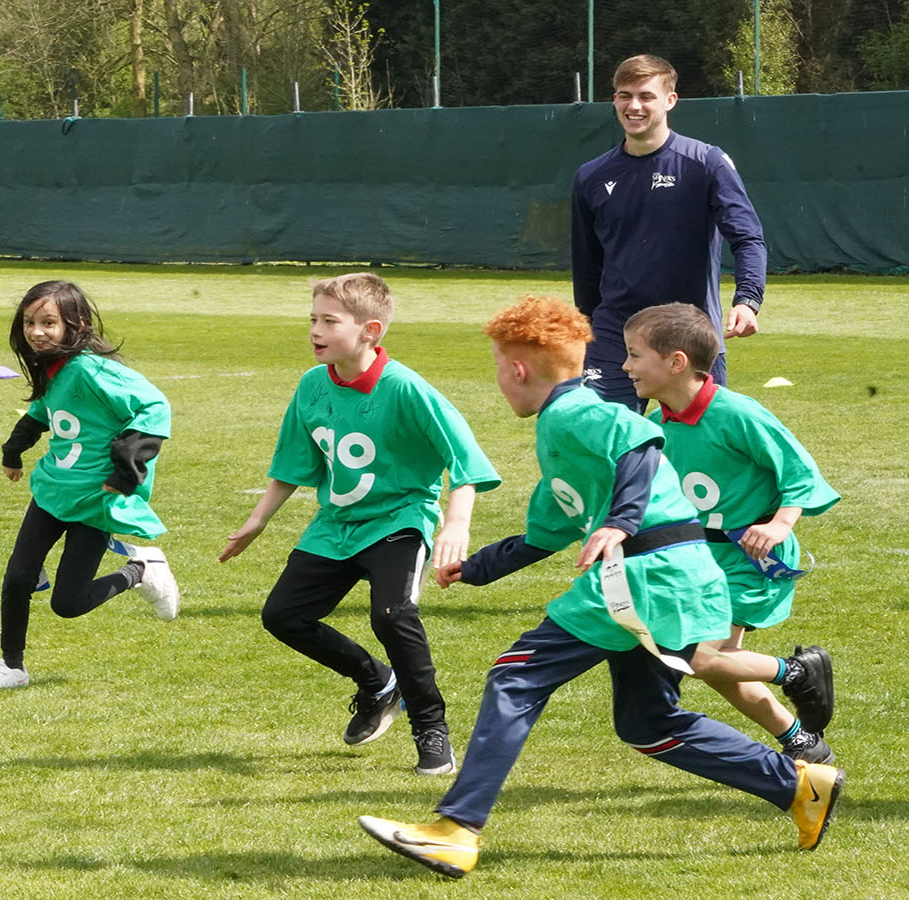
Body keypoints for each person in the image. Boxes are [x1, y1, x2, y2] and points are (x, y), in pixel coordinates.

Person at [358, 296, 842, 879]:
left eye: (496, 367)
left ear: (517, 370)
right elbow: (548, 530)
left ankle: (457, 830)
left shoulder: (574, 412)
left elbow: (638, 443)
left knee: (516, 675)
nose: (498, 380)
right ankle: (799, 785)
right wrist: (478, 566)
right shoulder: (560, 430)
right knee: (648, 723)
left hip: (644, 574)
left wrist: (621, 520)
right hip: (672, 576)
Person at [219, 273, 499, 776]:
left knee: (392, 615)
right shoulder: (312, 384)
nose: (315, 330)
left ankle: (431, 728)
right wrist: (258, 520)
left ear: (371, 330)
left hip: (398, 520)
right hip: (335, 524)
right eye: (313, 319)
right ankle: (377, 682)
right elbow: (294, 462)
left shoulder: (406, 388)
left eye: (329, 321)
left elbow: (465, 459)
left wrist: (455, 523)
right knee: (283, 616)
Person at [623, 303, 840, 762]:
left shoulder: (739, 413)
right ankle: (801, 741)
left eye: (634, 354)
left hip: (751, 560)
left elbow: (799, 474)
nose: (625, 365)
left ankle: (797, 671)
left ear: (676, 362)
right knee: (720, 664)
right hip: (701, 563)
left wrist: (780, 523)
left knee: (701, 658)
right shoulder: (654, 425)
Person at [0, 281, 179, 691]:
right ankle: (12, 665)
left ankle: (140, 570)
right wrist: (14, 451)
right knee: (17, 578)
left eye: (49, 322)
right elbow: (45, 412)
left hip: (94, 499)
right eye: (30, 322)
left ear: (77, 324)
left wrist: (125, 472)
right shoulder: (54, 367)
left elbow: (154, 407)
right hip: (52, 491)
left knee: (68, 604)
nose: (36, 331)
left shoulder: (89, 368)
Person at [571, 53, 768, 412]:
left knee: (698, 455)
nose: (634, 106)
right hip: (616, 333)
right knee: (603, 443)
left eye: (646, 96)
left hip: (689, 332)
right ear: (614, 100)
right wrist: (585, 329)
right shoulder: (590, 176)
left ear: (670, 100)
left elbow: (747, 237)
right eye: (624, 95)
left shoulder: (705, 163)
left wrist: (748, 299)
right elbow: (587, 265)